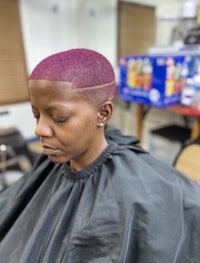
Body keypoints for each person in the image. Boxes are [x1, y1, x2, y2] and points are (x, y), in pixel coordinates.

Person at [0, 48, 200, 263]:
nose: (39, 130)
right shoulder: (47, 167)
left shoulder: (142, 194)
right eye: (36, 115)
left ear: (103, 113)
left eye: (58, 117)